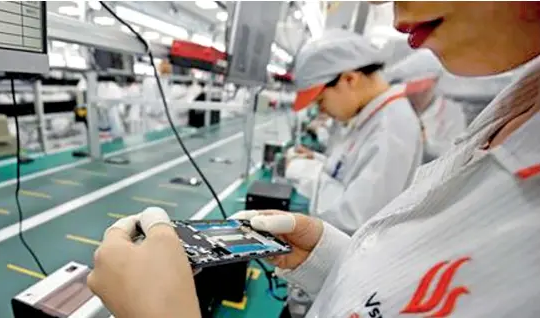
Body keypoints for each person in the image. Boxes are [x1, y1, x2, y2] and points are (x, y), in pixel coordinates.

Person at [88, 2, 540, 317]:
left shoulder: (395, 126)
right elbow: (413, 282)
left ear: (346, 81)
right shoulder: (513, 113)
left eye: (319, 99)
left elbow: (365, 217)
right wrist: (329, 256)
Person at [283, 29, 423, 234]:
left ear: (349, 79)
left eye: (321, 101)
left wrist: (305, 172)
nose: (321, 110)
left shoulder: (391, 129)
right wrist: (319, 160)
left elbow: (353, 220)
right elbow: (351, 172)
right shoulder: (371, 117)